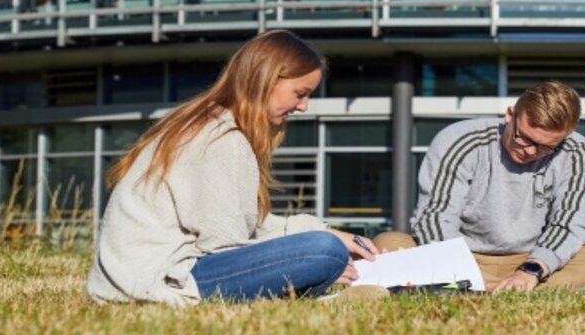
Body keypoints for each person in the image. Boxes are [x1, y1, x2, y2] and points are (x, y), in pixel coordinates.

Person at [87, 30, 379, 305]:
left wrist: (329, 232)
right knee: (324, 252)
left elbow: (248, 223)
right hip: (161, 278)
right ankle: (317, 283)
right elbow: (224, 241)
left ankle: (313, 282)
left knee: (326, 247)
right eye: (300, 93)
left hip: (152, 272)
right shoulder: (220, 138)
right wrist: (316, 257)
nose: (303, 106)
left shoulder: (212, 125)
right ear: (267, 80)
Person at [374, 81, 585, 291]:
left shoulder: (578, 153)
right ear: (510, 115)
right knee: (387, 242)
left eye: (546, 147)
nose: (530, 151)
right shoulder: (460, 140)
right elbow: (436, 215)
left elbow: (571, 223)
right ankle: (514, 290)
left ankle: (463, 290)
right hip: (463, 255)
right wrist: (456, 267)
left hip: (536, 261)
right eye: (524, 138)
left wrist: (532, 270)